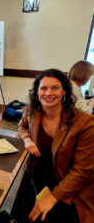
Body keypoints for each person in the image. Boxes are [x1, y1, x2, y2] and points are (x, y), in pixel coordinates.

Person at [14, 69, 94, 223]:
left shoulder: (85, 123)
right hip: (37, 177)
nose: (48, 93)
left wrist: (53, 197)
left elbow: (81, 172)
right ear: (37, 92)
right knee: (20, 213)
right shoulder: (33, 110)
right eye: (43, 88)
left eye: (55, 88)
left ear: (64, 91)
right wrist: (27, 140)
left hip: (69, 186)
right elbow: (21, 127)